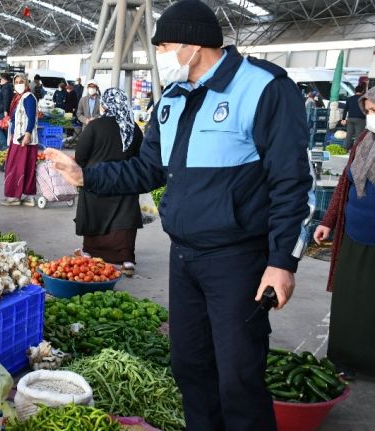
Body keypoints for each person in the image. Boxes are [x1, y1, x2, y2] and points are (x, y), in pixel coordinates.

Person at [44, 1, 313, 429]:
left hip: (238, 259)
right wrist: (84, 176)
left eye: (166, 46)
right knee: (190, 368)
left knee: (238, 380)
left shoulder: (263, 88)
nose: (163, 55)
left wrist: (282, 262)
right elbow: (147, 169)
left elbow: (293, 182)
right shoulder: (172, 98)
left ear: (192, 43)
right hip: (185, 256)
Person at [314, 86, 375, 378]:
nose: (370, 115)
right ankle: (344, 360)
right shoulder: (364, 138)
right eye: (369, 109)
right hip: (353, 233)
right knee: (349, 300)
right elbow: (344, 185)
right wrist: (328, 221)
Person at [75, 88, 143, 275]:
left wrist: (82, 171)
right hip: (125, 181)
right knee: (124, 217)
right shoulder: (133, 128)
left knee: (95, 215)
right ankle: (127, 260)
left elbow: (80, 155)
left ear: (105, 105)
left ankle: (90, 253)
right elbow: (141, 158)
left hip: (96, 181)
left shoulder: (95, 126)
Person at [1, 74, 38, 207]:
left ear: (26, 83)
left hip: (24, 139)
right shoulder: (18, 98)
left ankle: (16, 197)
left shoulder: (28, 98)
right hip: (17, 138)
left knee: (17, 167)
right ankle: (27, 196)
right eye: (16, 82)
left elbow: (32, 118)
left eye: (21, 82)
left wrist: (27, 134)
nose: (18, 84)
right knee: (23, 166)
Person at [340, 85, 366, 150]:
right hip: (360, 119)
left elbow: (345, 109)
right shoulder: (363, 99)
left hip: (350, 118)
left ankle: (345, 148)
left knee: (349, 135)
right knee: (358, 135)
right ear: (363, 91)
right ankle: (355, 150)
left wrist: (343, 119)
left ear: (355, 91)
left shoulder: (349, 99)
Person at [0, 73, 14, 149]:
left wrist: (5, 110)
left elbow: (6, 99)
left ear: (5, 79)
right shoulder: (8, 87)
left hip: (2, 111)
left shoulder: (5, 88)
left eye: (1, 79)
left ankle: (4, 145)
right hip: (4, 110)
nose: (0, 80)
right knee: (4, 127)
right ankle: (7, 145)